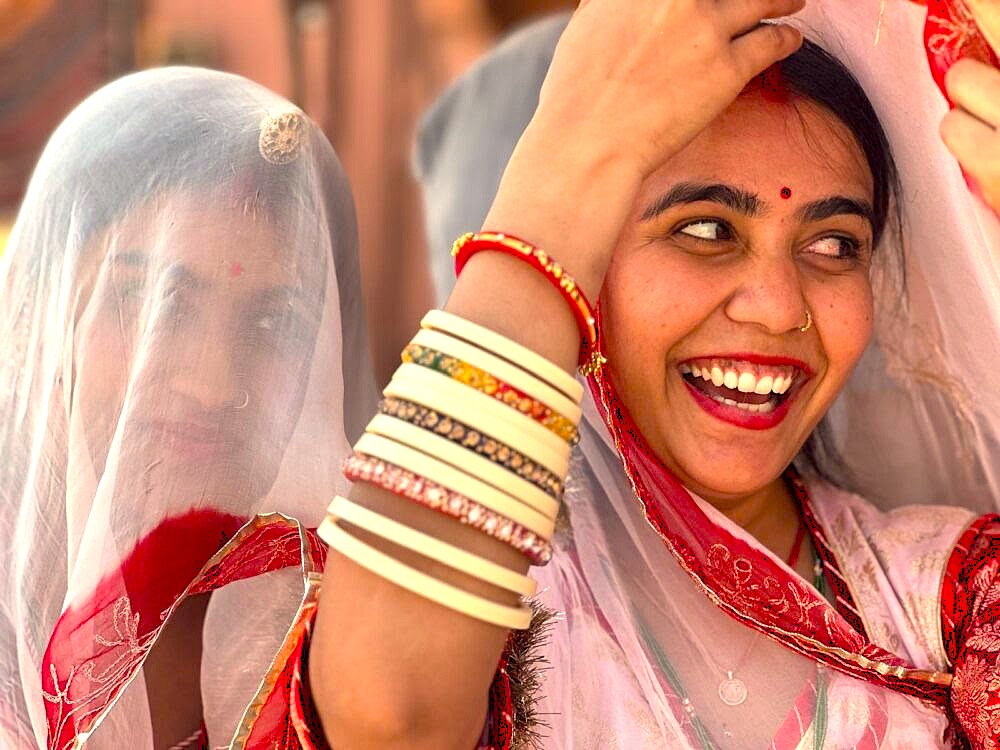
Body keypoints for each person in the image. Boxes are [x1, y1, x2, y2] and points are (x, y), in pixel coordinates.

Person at [0, 67, 377, 747]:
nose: (211, 382)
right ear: (44, 314)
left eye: (273, 325)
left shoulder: (343, 632)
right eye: (155, 307)